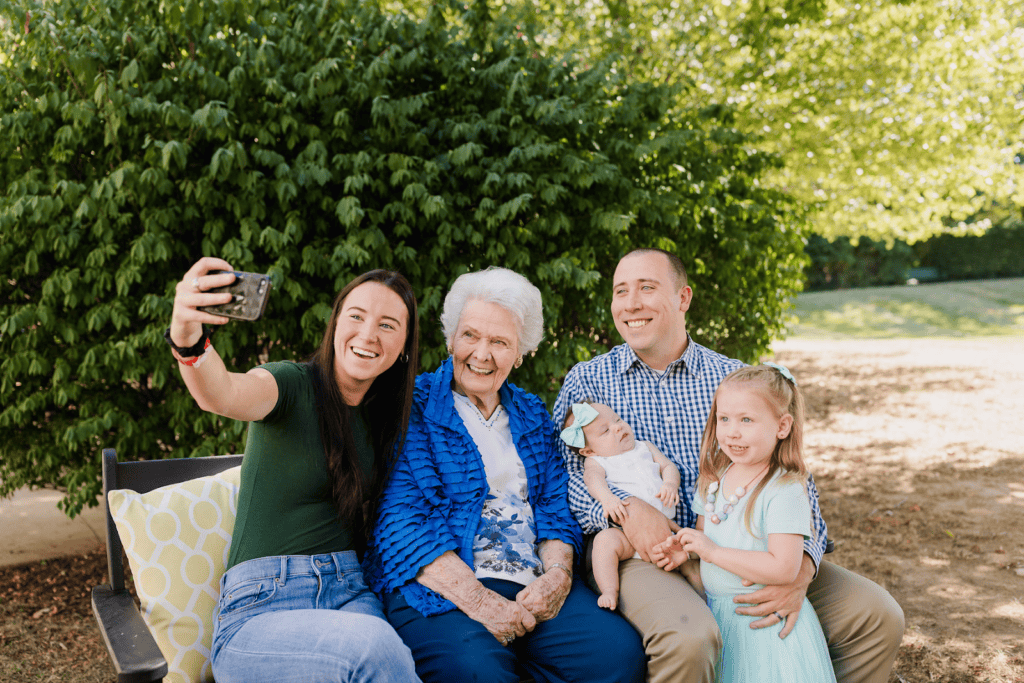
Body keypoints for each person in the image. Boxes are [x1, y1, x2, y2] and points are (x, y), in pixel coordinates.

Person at [553, 248, 905, 683]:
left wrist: (801, 572)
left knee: (875, 614)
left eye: (647, 288)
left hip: (744, 542)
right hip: (643, 553)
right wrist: (624, 512)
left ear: (683, 298)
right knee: (690, 638)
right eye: (620, 291)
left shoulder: (733, 378)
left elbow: (796, 480)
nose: (631, 303)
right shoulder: (587, 381)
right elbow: (563, 477)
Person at [366, 267, 645, 683]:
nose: (482, 354)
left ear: (520, 353)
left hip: (531, 582)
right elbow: (402, 522)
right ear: (450, 339)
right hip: (442, 587)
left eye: (499, 342)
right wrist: (479, 601)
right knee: (478, 670)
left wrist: (557, 577)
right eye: (470, 336)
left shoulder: (531, 414)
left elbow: (554, 507)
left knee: (616, 655)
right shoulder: (413, 406)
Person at [167, 256, 421, 683]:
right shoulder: (290, 385)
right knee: (375, 649)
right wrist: (188, 338)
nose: (368, 334)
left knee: (405, 648)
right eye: (356, 316)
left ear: (404, 348)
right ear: (336, 324)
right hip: (261, 610)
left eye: (388, 325)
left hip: (351, 596)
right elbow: (224, 392)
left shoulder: (387, 420)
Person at [654, 364, 836, 682]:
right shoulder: (714, 477)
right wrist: (688, 550)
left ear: (782, 426)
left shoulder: (783, 488)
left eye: (746, 420)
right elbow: (704, 535)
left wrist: (711, 552)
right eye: (724, 419)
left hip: (764, 626)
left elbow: (784, 568)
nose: (732, 431)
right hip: (720, 615)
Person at [558, 401, 696, 610]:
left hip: (668, 530)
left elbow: (668, 466)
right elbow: (593, 481)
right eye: (605, 431)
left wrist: (670, 483)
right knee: (604, 542)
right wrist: (607, 498)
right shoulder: (597, 462)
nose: (618, 427)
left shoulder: (645, 447)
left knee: (692, 564)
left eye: (617, 419)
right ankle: (610, 590)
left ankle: (706, 601)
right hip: (627, 534)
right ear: (588, 451)